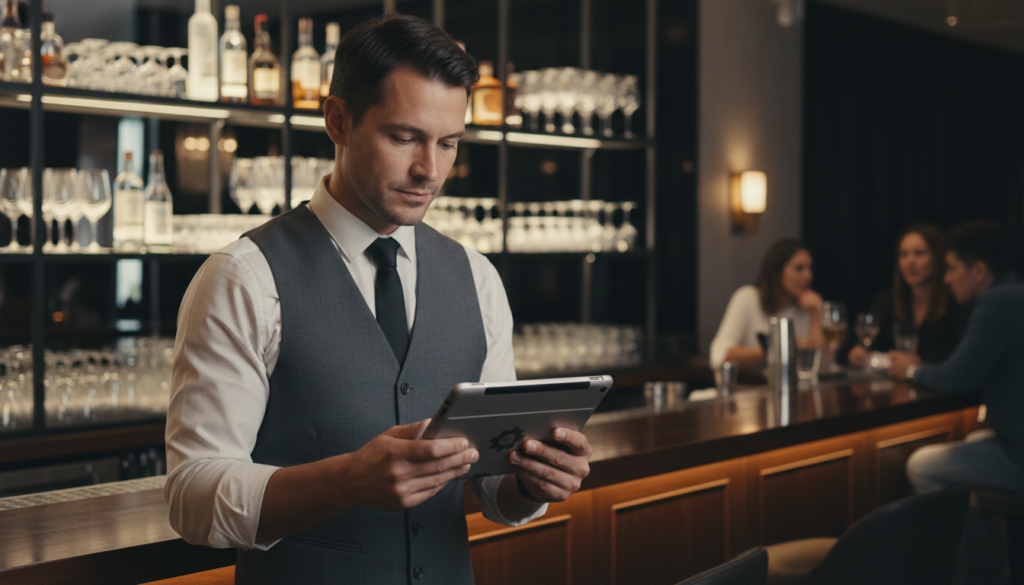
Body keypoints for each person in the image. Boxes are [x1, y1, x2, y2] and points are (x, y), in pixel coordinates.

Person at [164, 15, 592, 585]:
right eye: (404, 137)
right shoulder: (244, 277)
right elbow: (192, 497)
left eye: (448, 144)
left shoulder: (478, 278)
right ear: (338, 121)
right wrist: (344, 481)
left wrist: (533, 483)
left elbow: (494, 487)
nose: (430, 171)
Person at [890, 220, 1024, 493]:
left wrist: (911, 370)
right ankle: (987, 536)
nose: (946, 279)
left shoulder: (998, 302)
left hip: (1019, 456)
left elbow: (956, 377)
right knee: (975, 437)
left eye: (951, 268)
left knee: (920, 465)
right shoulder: (1014, 293)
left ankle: (959, 538)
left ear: (979, 271)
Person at [844, 224, 968, 367]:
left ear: (937, 258)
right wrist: (856, 352)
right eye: (904, 254)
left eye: (919, 253)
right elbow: (853, 344)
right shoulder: (886, 301)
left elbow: (957, 355)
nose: (910, 261)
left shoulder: (956, 301)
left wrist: (917, 362)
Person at [709, 239, 825, 369]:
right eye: (799, 268)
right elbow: (718, 355)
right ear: (777, 271)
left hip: (798, 387)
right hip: (751, 386)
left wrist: (816, 314)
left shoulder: (809, 305)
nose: (808, 276)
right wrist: (783, 348)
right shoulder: (747, 298)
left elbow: (823, 364)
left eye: (810, 268)